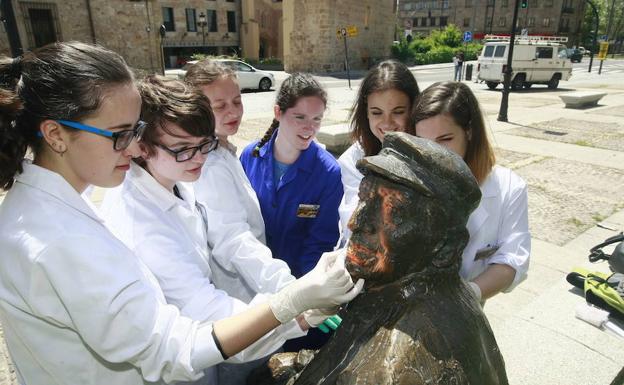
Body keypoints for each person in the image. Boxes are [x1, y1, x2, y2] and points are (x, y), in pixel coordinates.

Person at [0, 41, 361, 385]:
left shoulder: (59, 202)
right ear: (55, 134)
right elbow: (174, 347)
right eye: (119, 134)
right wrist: (291, 306)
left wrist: (291, 304)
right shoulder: (60, 239)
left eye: (135, 130)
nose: (133, 146)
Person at [100, 75, 354, 384]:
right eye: (183, 148)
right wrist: (295, 308)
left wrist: (291, 290)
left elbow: (227, 237)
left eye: (204, 144)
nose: (199, 159)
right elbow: (211, 320)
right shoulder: (142, 225)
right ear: (140, 146)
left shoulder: (175, 178)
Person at [240, 73, 343, 351]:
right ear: (278, 112)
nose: (309, 128)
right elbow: (238, 229)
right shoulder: (250, 157)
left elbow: (319, 243)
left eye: (317, 119)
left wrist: (309, 297)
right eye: (300, 117)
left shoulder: (328, 172)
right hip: (251, 290)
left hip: (301, 291)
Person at [184, 59, 292, 304]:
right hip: (240, 292)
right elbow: (231, 238)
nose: (233, 112)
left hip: (252, 282)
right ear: (196, 111)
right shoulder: (209, 165)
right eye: (220, 106)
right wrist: (284, 284)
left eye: (237, 100)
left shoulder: (223, 149)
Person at [412, 81, 530, 302]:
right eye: (422, 142)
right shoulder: (408, 183)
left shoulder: (510, 188)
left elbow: (513, 259)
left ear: (469, 132)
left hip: (470, 305)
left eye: (445, 140)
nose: (433, 153)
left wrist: (467, 296)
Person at [337, 60, 420, 243]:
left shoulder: (427, 152)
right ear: (365, 113)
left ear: (413, 109)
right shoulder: (353, 160)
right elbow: (354, 225)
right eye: (376, 112)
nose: (388, 123)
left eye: (398, 112)